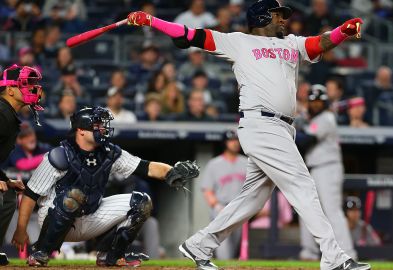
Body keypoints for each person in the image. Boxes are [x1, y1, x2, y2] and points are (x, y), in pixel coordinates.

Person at [127, 1, 370, 269]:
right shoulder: (238, 41)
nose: (284, 20)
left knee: (251, 199)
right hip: (261, 124)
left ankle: (199, 245)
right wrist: (152, 21)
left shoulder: (291, 43)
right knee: (302, 186)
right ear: (263, 16)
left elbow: (318, 44)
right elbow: (189, 34)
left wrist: (342, 32)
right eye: (279, 15)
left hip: (283, 128)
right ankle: (334, 257)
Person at [11, 107, 200, 267]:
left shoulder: (109, 152)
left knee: (142, 202)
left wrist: (171, 171)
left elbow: (146, 166)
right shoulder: (60, 155)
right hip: (55, 216)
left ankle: (110, 255)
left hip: (91, 214)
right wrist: (21, 229)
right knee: (73, 196)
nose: (102, 128)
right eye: (97, 125)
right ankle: (42, 251)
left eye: (102, 125)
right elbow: (30, 193)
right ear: (81, 131)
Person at [299, 84, 356, 260]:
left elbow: (305, 140)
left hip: (327, 168)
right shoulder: (313, 120)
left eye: (319, 101)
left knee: (332, 211)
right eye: (312, 101)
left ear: (325, 103)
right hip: (314, 168)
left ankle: (347, 252)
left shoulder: (326, 118)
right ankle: (309, 252)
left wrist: (290, 129)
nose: (315, 104)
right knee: (307, 210)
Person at [0, 64, 44, 266]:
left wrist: (3, 179)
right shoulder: (1, 112)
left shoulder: (7, 113)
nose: (33, 89)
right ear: (9, 90)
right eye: (25, 85)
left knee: (8, 194)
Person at [201, 130, 247, 259]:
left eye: (236, 140)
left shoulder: (247, 163)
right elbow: (207, 189)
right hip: (221, 207)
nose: (235, 143)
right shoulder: (214, 164)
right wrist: (216, 206)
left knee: (235, 243)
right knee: (223, 240)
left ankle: (228, 264)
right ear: (225, 143)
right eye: (231, 140)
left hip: (239, 207)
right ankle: (224, 263)